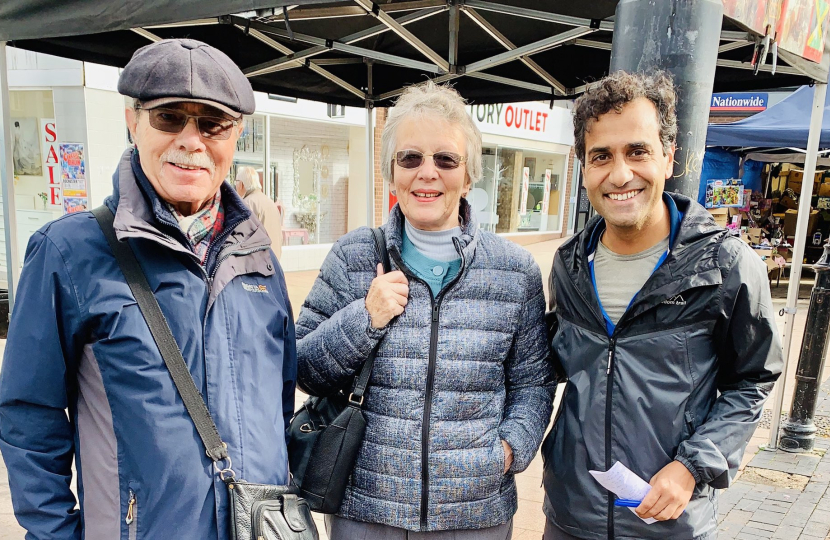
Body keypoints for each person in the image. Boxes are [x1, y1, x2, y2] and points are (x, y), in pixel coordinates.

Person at [0, 39, 296, 540]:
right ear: (132, 121)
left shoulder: (259, 259)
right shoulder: (68, 251)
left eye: (212, 123)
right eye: (169, 118)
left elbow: (279, 403)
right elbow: (30, 419)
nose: (191, 140)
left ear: (236, 134)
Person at [296, 81, 553, 539]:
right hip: (366, 511)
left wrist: (509, 449)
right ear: (392, 174)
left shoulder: (515, 272)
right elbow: (302, 367)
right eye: (410, 158)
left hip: (475, 513)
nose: (426, 173)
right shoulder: (353, 254)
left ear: (468, 175)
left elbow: (533, 381)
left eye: (445, 159)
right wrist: (364, 319)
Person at [542, 71, 783, 539]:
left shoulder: (724, 265)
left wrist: (694, 466)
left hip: (667, 520)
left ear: (669, 157)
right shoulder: (568, 265)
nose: (620, 174)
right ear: (584, 168)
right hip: (571, 515)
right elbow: (553, 366)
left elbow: (755, 378)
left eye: (637, 151)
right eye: (601, 156)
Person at [235, 165, 283, 259]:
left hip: (259, 262)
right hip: (274, 260)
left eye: (236, 182)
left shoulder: (247, 204)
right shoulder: (269, 202)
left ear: (241, 184)